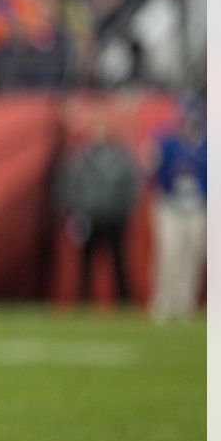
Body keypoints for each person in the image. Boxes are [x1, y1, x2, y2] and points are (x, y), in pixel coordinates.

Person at [57, 111, 140, 304]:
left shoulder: (119, 156)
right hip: (89, 217)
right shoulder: (81, 156)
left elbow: (131, 184)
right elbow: (69, 185)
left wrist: (125, 209)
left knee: (119, 263)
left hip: (114, 217)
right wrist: (74, 212)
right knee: (85, 265)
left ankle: (124, 303)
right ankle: (83, 302)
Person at [149, 102, 206, 322]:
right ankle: (163, 301)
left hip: (197, 206)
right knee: (168, 254)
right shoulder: (168, 143)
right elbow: (153, 170)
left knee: (191, 255)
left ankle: (185, 303)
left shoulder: (206, 145)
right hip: (170, 204)